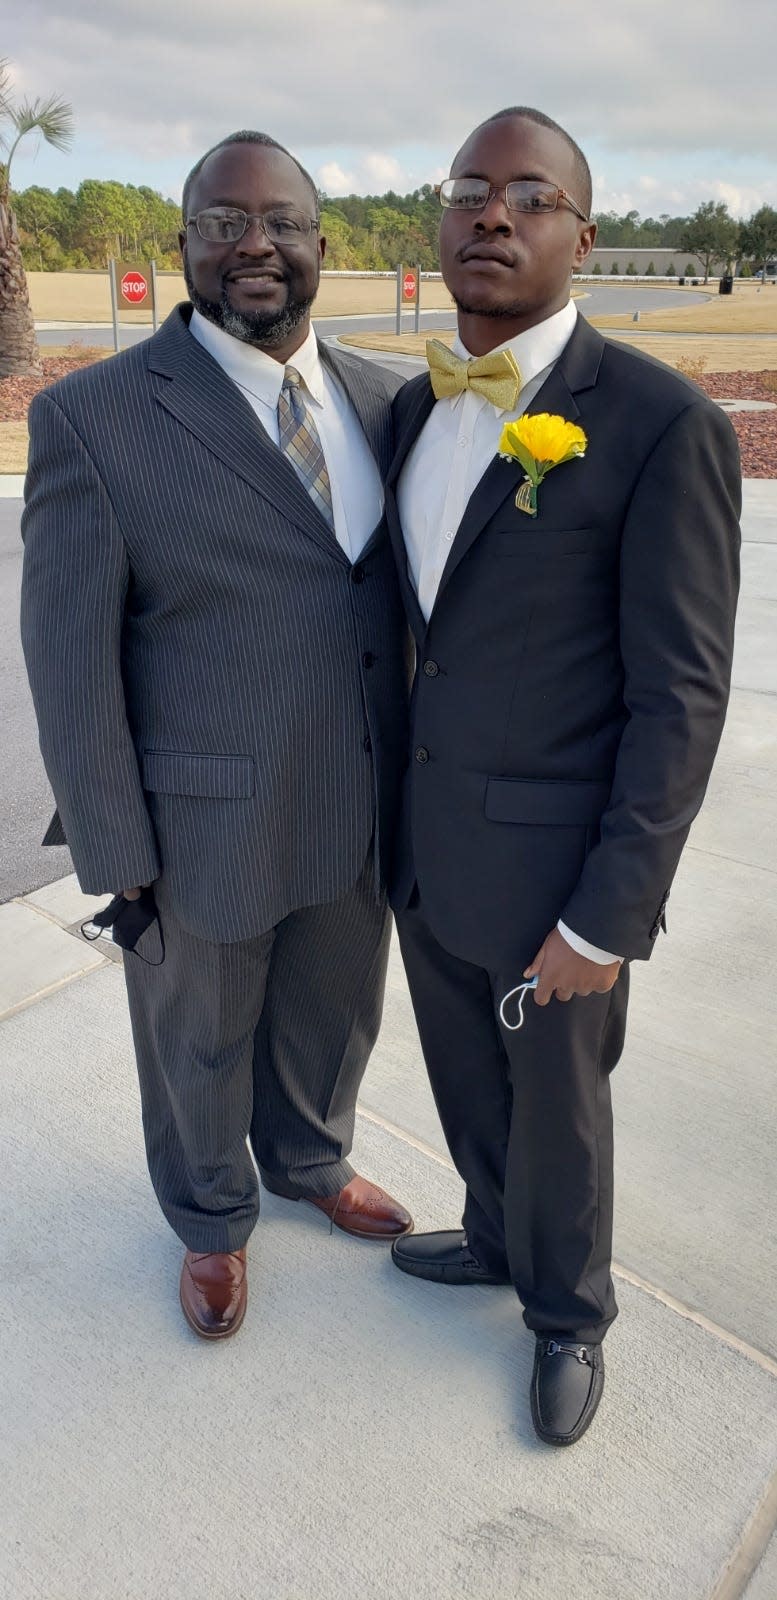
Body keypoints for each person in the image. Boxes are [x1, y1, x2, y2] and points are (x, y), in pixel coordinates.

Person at [21, 130, 413, 1342]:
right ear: (181, 243)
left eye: (283, 221)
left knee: (337, 1009)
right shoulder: (96, 418)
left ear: (321, 245)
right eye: (223, 221)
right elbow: (68, 652)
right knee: (198, 1037)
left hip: (359, 795)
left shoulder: (386, 400)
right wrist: (111, 838)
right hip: (201, 815)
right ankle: (210, 1222)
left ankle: (307, 1157)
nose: (256, 244)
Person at [385, 107, 740, 1444]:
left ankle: (568, 1315)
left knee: (561, 1115)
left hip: (557, 877)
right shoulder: (416, 405)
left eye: (526, 197)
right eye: (468, 189)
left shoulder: (658, 425)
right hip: (427, 849)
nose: (490, 214)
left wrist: (609, 912)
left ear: (578, 238)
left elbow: (679, 696)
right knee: (466, 1081)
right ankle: (488, 1237)